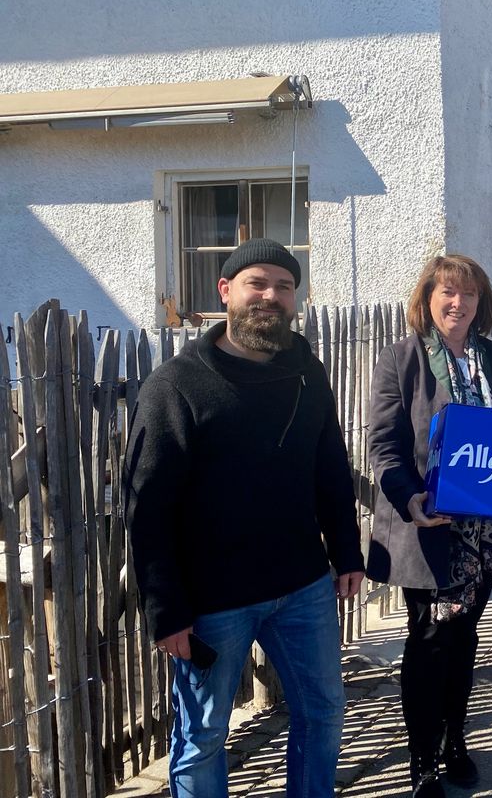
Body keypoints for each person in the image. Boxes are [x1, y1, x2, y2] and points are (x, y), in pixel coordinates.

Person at [125, 238, 365, 798]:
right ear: (225, 292)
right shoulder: (176, 386)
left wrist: (347, 552)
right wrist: (166, 610)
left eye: (284, 286)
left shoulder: (308, 373)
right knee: (202, 737)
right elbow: (148, 506)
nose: (272, 296)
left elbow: (329, 466)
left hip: (302, 585)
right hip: (213, 601)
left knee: (324, 712)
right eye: (258, 283)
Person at [367, 254, 492, 797]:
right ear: (427, 299)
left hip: (484, 532)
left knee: (464, 638)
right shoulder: (402, 359)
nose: (459, 303)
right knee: (429, 640)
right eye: (448, 293)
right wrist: (409, 498)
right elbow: (383, 446)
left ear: (482, 303)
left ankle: (455, 739)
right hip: (430, 527)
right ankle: (422, 762)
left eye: (470, 294)